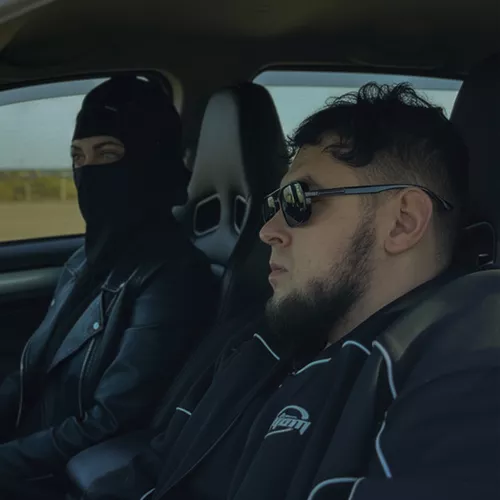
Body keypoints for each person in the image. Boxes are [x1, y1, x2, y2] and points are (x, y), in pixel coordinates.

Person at [89, 82, 500, 500]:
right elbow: (156, 470)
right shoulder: (260, 340)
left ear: (402, 222)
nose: (268, 231)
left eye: (299, 201)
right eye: (274, 205)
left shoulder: (467, 371)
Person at [0, 76, 217, 498]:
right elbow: (29, 375)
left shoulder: (173, 277)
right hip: (29, 451)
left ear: (152, 159)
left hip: (58, 476)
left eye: (108, 154)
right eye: (78, 157)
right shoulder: (85, 261)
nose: (88, 171)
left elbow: (109, 422)